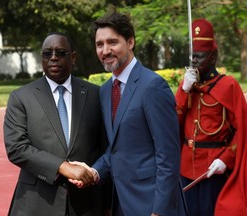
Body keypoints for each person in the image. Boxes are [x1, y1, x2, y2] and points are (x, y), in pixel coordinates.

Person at [71, 12, 187, 216]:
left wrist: (159, 211)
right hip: (121, 204)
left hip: (152, 204)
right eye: (99, 44)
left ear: (130, 42)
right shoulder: (106, 90)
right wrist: (93, 172)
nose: (105, 50)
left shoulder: (153, 86)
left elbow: (168, 155)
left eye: (112, 42)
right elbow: (117, 148)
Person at [3, 32, 110, 216]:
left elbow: (106, 148)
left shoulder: (95, 95)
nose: (53, 58)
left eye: (61, 53)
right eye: (47, 53)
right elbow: (16, 148)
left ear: (73, 57)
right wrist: (62, 167)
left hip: (88, 203)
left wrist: (107, 202)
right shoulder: (21, 97)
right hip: (37, 203)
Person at [175, 18, 247, 216]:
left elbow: (243, 130)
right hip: (186, 167)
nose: (194, 62)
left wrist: (226, 158)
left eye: (199, 57)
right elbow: (172, 125)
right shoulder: (187, 86)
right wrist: (183, 91)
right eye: (192, 58)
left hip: (214, 167)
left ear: (213, 57)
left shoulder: (228, 86)